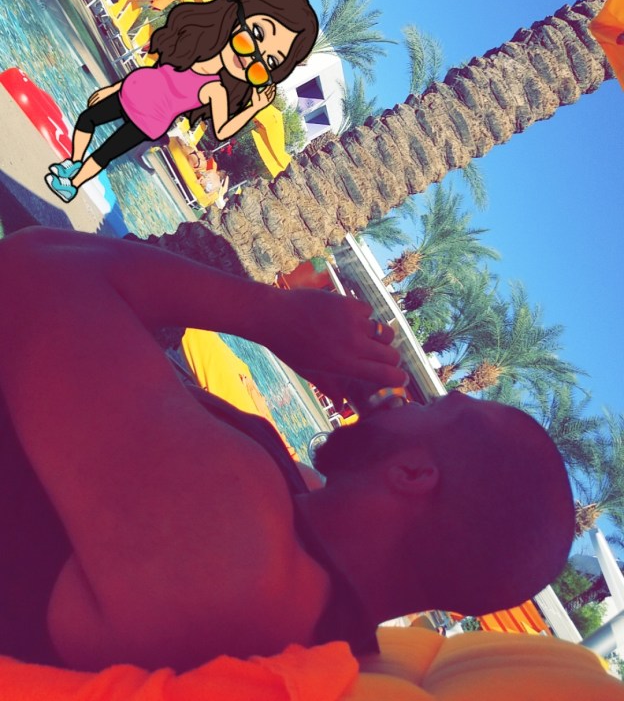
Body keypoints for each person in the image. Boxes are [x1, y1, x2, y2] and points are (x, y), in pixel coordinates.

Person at [0, 227, 575, 673]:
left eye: (428, 410)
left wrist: (270, 316)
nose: (406, 401)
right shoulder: (324, 629)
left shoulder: (240, 534)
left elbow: (36, 268)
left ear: (414, 474)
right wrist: (355, 399)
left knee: (202, 251)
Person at [44, 0, 318, 203]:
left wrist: (254, 107)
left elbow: (222, 130)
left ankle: (72, 184)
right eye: (255, 34)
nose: (250, 57)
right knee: (87, 119)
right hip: (131, 92)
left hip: (147, 121)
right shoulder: (193, 44)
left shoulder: (216, 89)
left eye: (267, 63)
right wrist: (115, 87)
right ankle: (74, 163)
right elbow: (157, 72)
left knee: (105, 153)